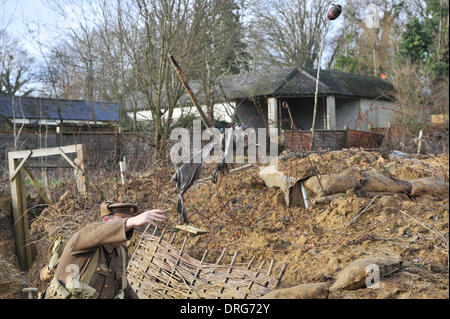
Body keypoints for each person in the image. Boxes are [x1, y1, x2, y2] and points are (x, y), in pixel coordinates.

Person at [44, 201, 165, 299]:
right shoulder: (82, 241)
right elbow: (96, 231)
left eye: (129, 221)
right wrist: (131, 221)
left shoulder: (121, 254)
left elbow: (123, 287)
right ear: (106, 222)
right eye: (122, 219)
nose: (129, 227)